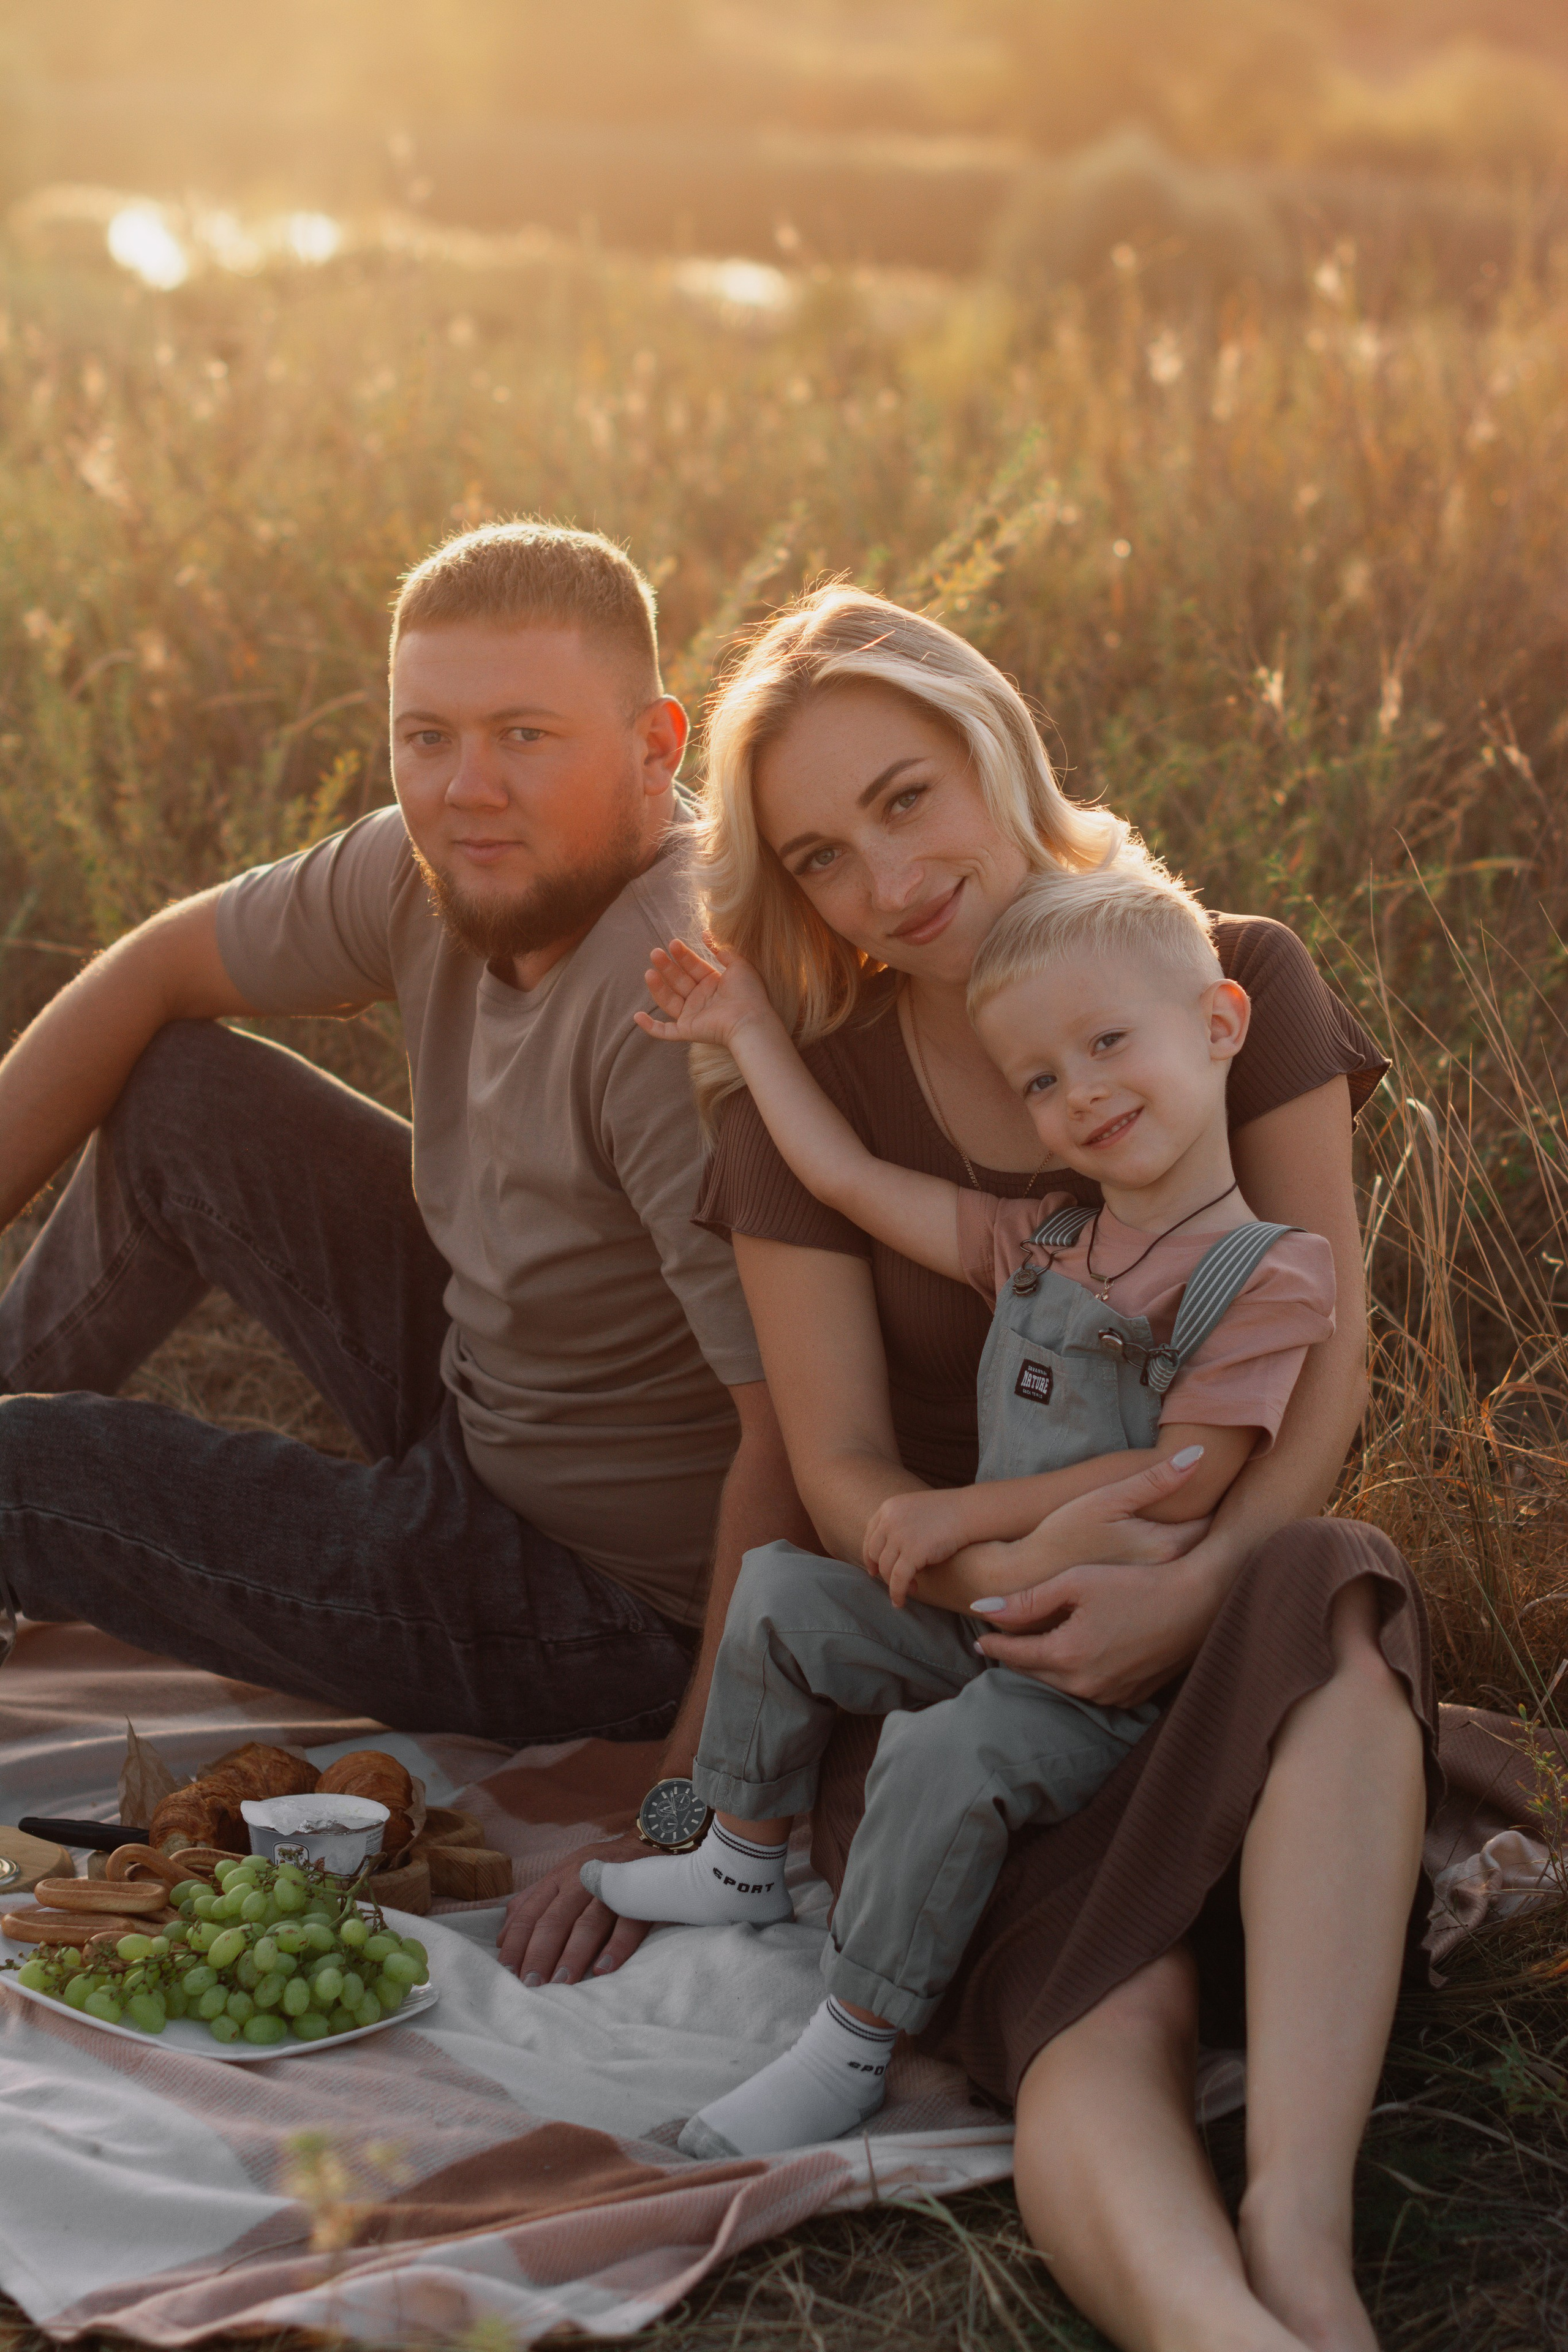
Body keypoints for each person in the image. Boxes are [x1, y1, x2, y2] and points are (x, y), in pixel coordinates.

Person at [673, 584, 1431, 2352]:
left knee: (1330, 1579)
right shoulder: (813, 1109)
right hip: (968, 1653)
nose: (888, 877)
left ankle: (1304, 2246)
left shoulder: (1213, 974)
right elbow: (837, 1470)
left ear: (992, 746)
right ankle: (1212, 2330)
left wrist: (1185, 1592)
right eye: (823, 857)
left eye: (906, 796)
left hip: (1201, 1579)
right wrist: (995, 1577)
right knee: (1115, 2004)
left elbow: (1323, 1361)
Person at [0, 526, 809, 1842]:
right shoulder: (430, 865)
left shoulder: (681, 1008)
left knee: (17, 1472)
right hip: (484, 1387)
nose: (464, 790)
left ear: (658, 746)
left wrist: (678, 1779)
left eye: (525, 735)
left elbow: (800, 1444)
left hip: (603, 1603)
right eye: (425, 735)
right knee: (184, 1090)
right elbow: (150, 970)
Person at [587, 855, 1336, 2162]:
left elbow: (1185, 1473)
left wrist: (957, 1514)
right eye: (1040, 1080)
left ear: (1216, 1026)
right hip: (986, 1609)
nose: (1081, 1092)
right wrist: (750, 1030)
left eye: (1106, 1043)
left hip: (1105, 1669)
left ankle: (848, 2043)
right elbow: (842, 1182)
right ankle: (739, 1852)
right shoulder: (1042, 1238)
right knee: (776, 1591)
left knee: (937, 1756)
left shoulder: (1262, 1273)